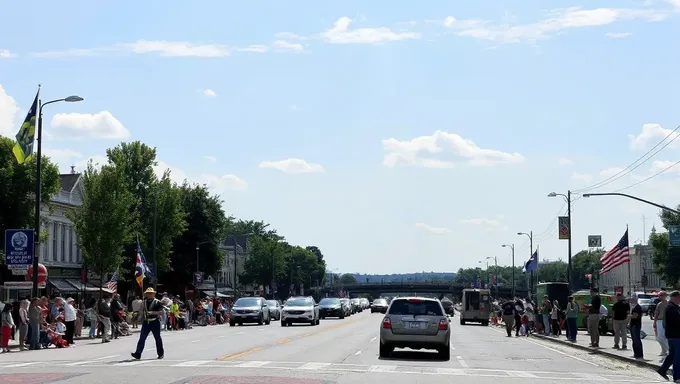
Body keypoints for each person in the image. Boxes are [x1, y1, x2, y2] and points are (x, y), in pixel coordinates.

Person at [131, 287, 165, 360]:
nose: (149, 295)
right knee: (142, 338)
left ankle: (160, 353)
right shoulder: (144, 302)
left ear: (153, 294)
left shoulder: (157, 302)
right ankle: (138, 353)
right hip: (146, 322)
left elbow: (162, 312)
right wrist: (137, 317)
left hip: (155, 321)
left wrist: (153, 312)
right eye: (148, 293)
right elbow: (141, 311)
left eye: (150, 293)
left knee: (157, 338)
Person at [658, 290, 680, 381]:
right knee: (678, 356)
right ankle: (677, 376)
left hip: (673, 334)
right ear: (675, 298)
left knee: (672, 355)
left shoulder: (674, 307)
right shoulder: (671, 308)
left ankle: (662, 370)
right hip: (675, 335)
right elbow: (675, 322)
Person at [654, 291, 669, 358]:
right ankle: (664, 351)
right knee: (659, 337)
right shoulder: (659, 304)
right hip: (659, 321)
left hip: (666, 321)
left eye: (660, 295)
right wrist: (654, 322)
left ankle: (667, 350)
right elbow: (656, 314)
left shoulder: (668, 303)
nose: (659, 297)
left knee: (664, 337)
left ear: (664, 296)